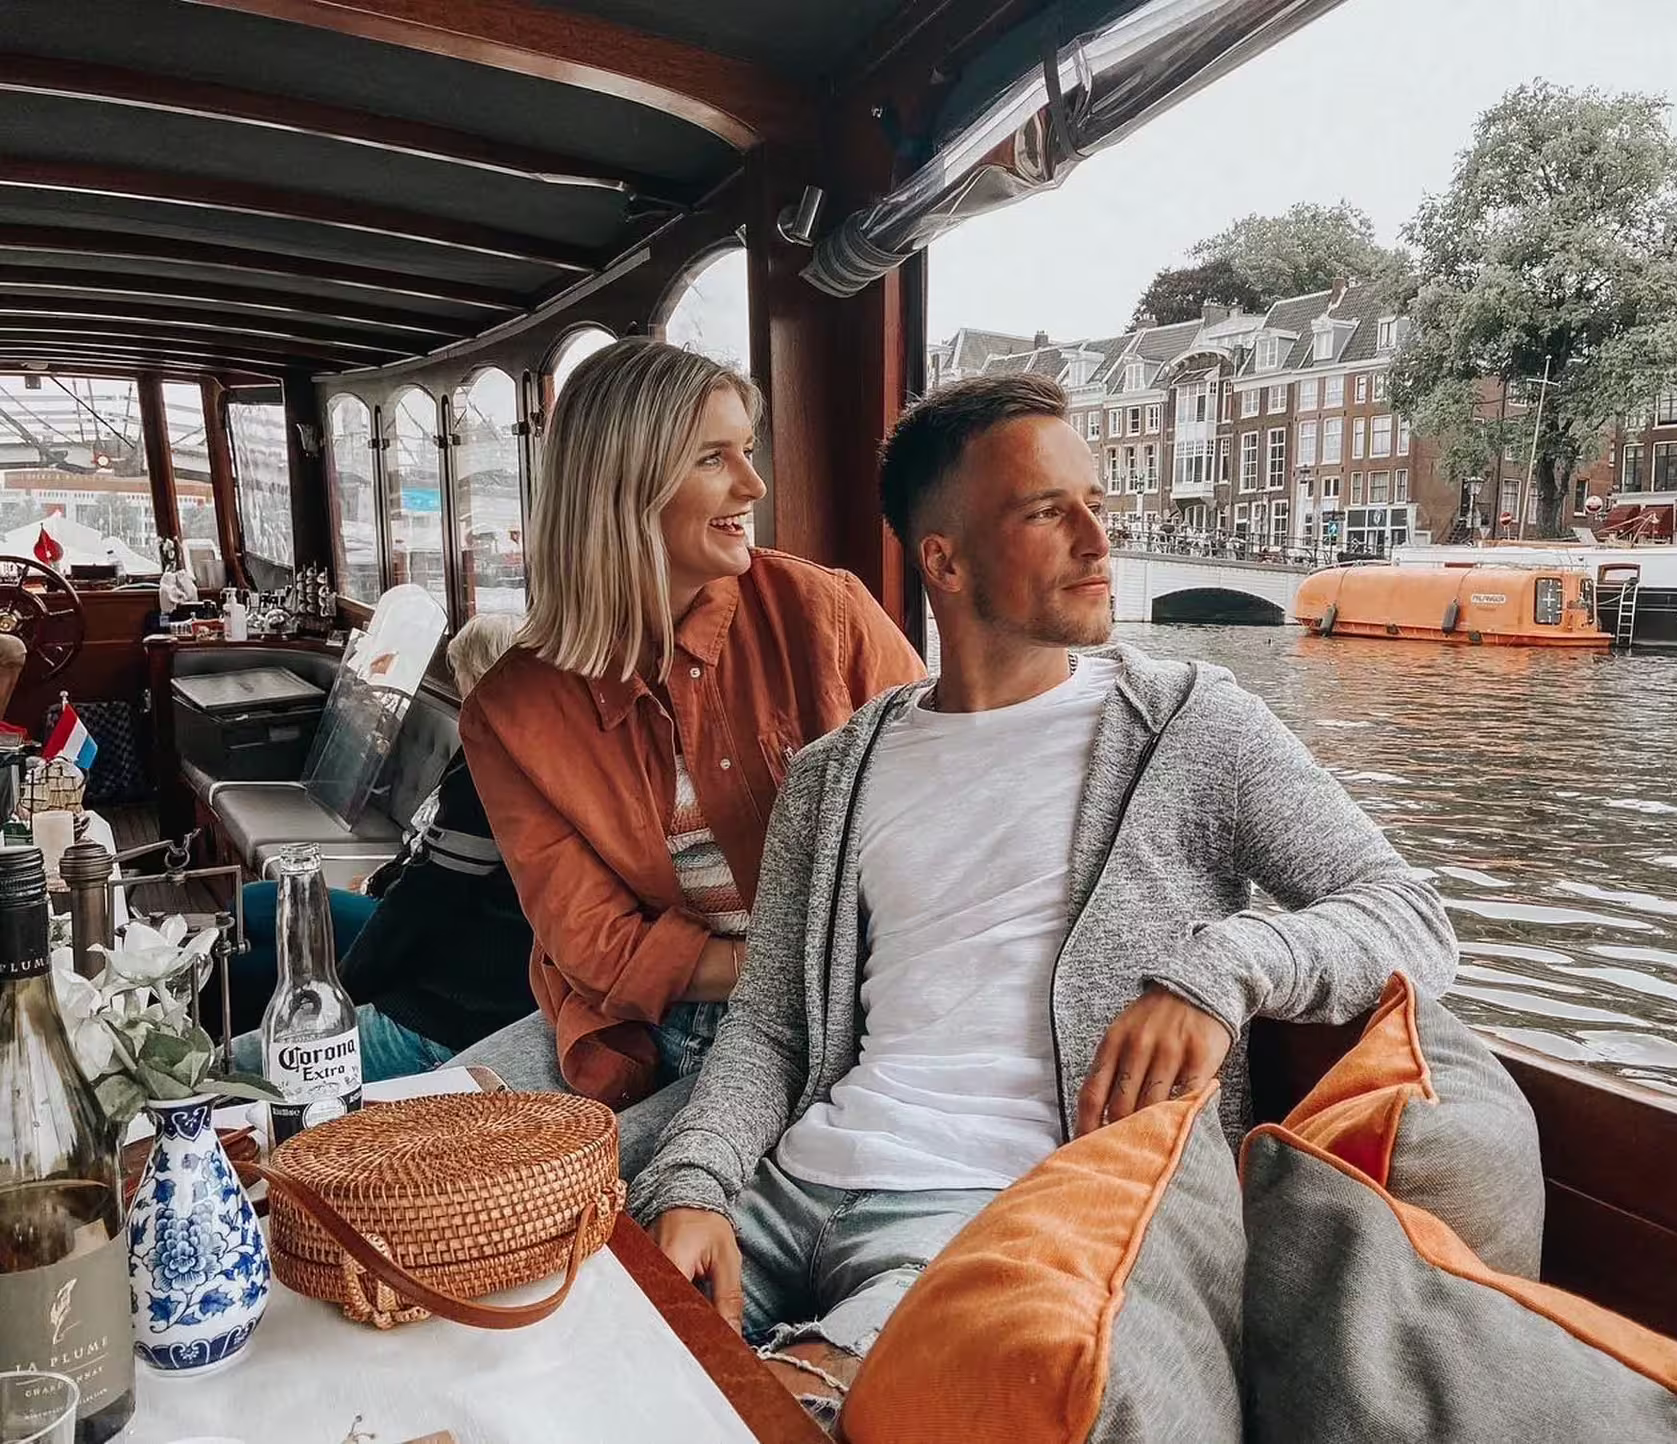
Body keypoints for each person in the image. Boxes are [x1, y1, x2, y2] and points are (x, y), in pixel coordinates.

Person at [630, 373, 1458, 1421]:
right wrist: (696, 1183)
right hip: (789, 1183)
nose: (1099, 541)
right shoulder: (833, 775)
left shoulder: (1193, 727)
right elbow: (771, 1027)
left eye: (1096, 505)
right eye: (1046, 512)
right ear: (944, 560)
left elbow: (1411, 917)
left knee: (778, 1411)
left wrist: (1221, 972)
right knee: (575, 1346)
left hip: (1004, 1216)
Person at [447, 339, 923, 1175]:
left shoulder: (826, 613)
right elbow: (593, 944)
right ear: (623, 486)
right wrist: (766, 964)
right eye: (714, 458)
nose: (754, 485)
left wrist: (814, 975)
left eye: (748, 450)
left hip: (822, 1021)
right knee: (425, 1156)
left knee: (571, 1197)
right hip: (635, 1023)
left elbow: (949, 817)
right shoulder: (511, 710)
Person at [229, 613, 530, 1082]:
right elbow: (432, 871)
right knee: (255, 933)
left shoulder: (493, 762)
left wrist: (340, 997)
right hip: (446, 970)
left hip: (447, 1018)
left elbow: (426, 899)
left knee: (226, 1063)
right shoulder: (513, 750)